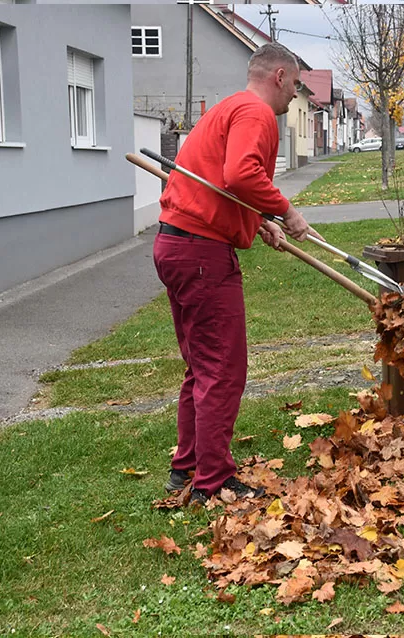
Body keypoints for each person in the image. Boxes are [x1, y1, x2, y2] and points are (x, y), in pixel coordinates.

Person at [153, 42, 315, 507]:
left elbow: (219, 183)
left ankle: (186, 466)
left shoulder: (227, 108)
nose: (295, 98)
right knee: (222, 369)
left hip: (178, 245)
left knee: (201, 368)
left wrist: (258, 221)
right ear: (280, 76)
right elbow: (241, 174)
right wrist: (288, 212)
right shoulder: (256, 112)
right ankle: (214, 482)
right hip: (202, 253)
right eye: (297, 85)